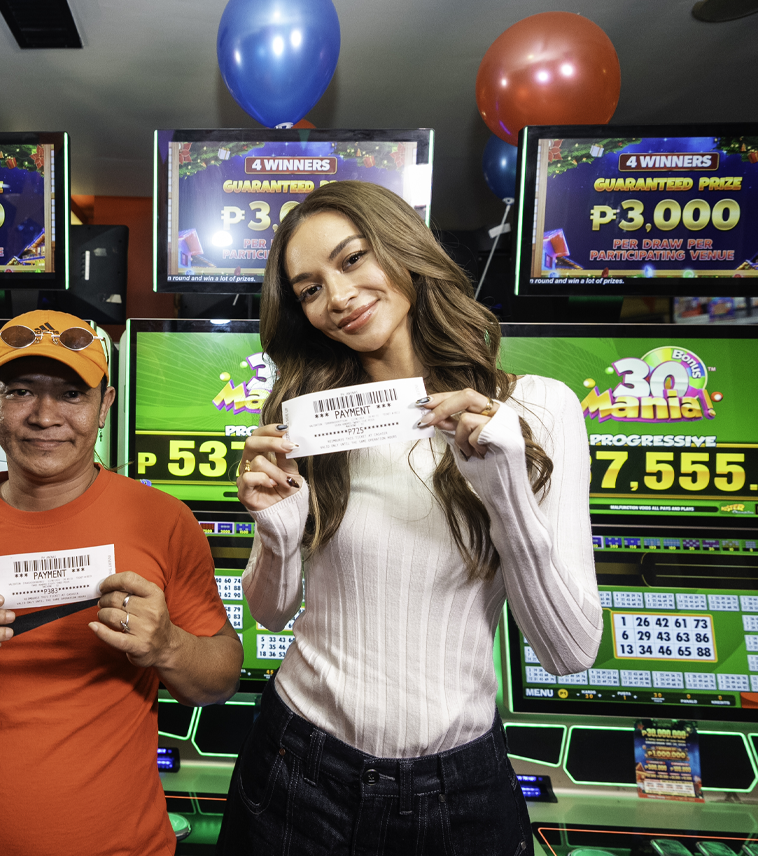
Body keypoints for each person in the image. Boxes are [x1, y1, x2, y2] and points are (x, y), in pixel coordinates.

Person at [216, 182, 601, 855]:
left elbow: (569, 652)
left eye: (353, 258)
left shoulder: (539, 410)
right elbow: (272, 615)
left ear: (403, 248)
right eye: (308, 289)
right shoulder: (309, 419)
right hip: (298, 763)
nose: (336, 296)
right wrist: (277, 532)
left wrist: (504, 487)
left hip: (462, 786)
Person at [0, 310, 243, 856]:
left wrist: (168, 646)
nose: (44, 416)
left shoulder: (163, 520)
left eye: (71, 393)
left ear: (105, 405)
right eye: (18, 392)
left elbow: (221, 679)